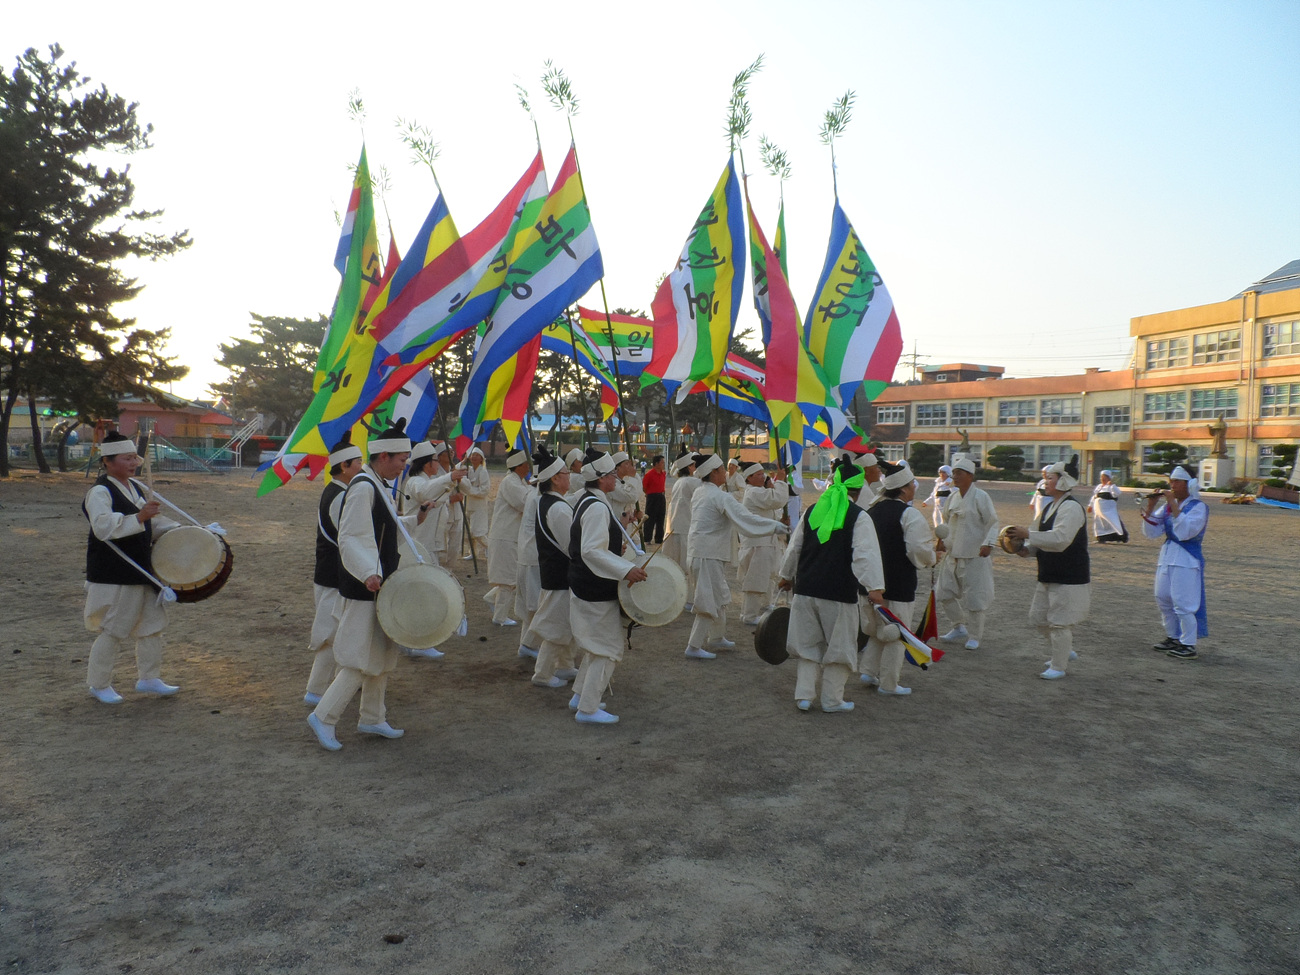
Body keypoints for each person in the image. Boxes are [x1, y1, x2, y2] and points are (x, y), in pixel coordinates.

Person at [307, 420, 421, 751]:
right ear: (383, 456)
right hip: (364, 587)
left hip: (378, 585)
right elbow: (352, 536)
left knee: (381, 655)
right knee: (358, 657)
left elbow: (384, 531)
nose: (404, 466)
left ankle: (372, 717)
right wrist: (368, 572)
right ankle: (324, 716)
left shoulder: (376, 485)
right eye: (401, 460)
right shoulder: (363, 487)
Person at [81, 431, 184, 704]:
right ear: (108, 462)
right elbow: (103, 526)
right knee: (113, 628)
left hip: (142, 568)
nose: (133, 463)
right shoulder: (99, 491)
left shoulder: (135, 488)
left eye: (134, 458)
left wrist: (187, 532)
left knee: (151, 625)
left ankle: (149, 678)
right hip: (114, 571)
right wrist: (139, 516)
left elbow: (154, 524)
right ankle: (98, 683)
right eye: (126, 458)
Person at [777, 462, 886, 712]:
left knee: (807, 645)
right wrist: (874, 587)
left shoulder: (813, 510)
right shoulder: (859, 516)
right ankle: (832, 700)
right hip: (838, 593)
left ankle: (804, 696)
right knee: (839, 647)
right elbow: (865, 556)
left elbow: (794, 547)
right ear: (858, 491)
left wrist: (786, 575)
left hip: (805, 589)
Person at [568, 449, 648, 725]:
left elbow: (594, 546)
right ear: (602, 479)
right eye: (613, 474)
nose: (616, 478)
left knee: (596, 646)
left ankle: (580, 696)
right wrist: (627, 569)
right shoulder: (597, 507)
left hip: (587, 584)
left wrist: (617, 548)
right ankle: (588, 709)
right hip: (594, 587)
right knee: (609, 649)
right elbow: (591, 550)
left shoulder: (589, 500)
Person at [684, 454, 788, 659]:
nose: (727, 472)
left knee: (720, 595)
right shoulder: (718, 496)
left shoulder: (701, 492)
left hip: (704, 552)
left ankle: (716, 636)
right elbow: (744, 518)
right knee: (708, 599)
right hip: (707, 554)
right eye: (723, 469)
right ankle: (693, 646)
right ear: (714, 473)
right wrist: (773, 526)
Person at [1007, 455, 1090, 679]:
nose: (1046, 482)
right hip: (1049, 571)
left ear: (1063, 481)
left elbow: (1061, 539)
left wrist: (1028, 535)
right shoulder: (1050, 507)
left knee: (1059, 623)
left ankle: (1059, 666)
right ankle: (1064, 651)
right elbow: (1039, 538)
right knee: (1039, 618)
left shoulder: (1071, 508)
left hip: (1069, 573)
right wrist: (1025, 549)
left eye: (1050, 478)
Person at [859, 459, 937, 696]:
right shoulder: (909, 515)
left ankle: (868, 671)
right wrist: (932, 558)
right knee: (896, 632)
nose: (915, 488)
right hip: (899, 581)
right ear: (903, 488)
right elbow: (917, 549)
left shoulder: (871, 511)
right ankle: (889, 683)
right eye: (913, 484)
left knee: (877, 629)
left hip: (871, 582)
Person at [304, 434, 363, 703]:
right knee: (329, 634)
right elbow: (349, 536)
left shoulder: (339, 491)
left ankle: (337, 684)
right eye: (358, 463)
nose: (361, 467)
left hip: (333, 574)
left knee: (339, 632)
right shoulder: (339, 495)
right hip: (331, 576)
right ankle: (315, 692)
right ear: (344, 466)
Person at [1140, 466, 1209, 659]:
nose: (1173, 485)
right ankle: (1173, 636)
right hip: (1168, 556)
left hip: (1187, 559)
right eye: (1172, 481)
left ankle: (1188, 643)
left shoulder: (1198, 507)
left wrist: (1173, 504)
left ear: (1190, 485)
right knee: (1162, 597)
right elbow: (1152, 533)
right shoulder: (1169, 507)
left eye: (1177, 482)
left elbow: (1186, 532)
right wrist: (1151, 507)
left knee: (1183, 602)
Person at [934, 457, 999, 650]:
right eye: (954, 473)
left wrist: (988, 544)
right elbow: (945, 523)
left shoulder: (981, 497)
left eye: (959, 473)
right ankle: (958, 626)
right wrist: (940, 542)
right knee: (943, 593)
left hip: (975, 555)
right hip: (953, 553)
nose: (955, 477)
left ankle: (974, 636)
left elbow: (992, 522)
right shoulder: (953, 497)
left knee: (975, 599)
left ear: (970, 476)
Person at [530, 448, 579, 688]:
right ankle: (542, 674)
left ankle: (565, 666)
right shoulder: (557, 508)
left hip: (557, 573)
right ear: (555, 479)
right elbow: (572, 546)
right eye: (566, 473)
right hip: (559, 574)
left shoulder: (550, 502)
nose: (569, 476)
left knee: (567, 623)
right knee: (555, 627)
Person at [737, 463, 789, 624]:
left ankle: (766, 605)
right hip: (758, 543)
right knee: (756, 579)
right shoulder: (753, 492)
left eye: (762, 474)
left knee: (769, 576)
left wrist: (780, 521)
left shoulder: (760, 492)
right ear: (749, 478)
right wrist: (780, 481)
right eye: (758, 474)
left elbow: (768, 514)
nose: (762, 477)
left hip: (766, 541)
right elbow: (777, 499)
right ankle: (749, 615)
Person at [485, 449, 532, 626]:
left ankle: (491, 599)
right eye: (526, 464)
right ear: (518, 466)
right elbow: (524, 503)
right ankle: (500, 616)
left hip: (511, 536)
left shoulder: (519, 481)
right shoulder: (510, 482)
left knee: (511, 577)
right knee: (508, 579)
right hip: (505, 536)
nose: (528, 467)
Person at [663, 452, 701, 603]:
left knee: (677, 564)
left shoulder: (680, 481)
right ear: (690, 467)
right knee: (688, 566)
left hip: (675, 526)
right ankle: (689, 599)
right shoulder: (692, 482)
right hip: (685, 527)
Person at [460, 447, 491, 560]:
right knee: (469, 534)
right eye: (472, 455)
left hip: (479, 505)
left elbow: (485, 490)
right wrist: (463, 461)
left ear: (481, 458)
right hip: (468, 504)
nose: (474, 457)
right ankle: (473, 552)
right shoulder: (469, 470)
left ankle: (490, 548)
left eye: (477, 455)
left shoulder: (483, 472)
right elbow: (456, 470)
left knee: (478, 532)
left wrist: (470, 490)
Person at [1087, 470, 1129, 543]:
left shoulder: (1111, 486)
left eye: (1105, 477)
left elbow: (1117, 493)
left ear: (1109, 478)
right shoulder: (1099, 487)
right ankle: (1101, 538)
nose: (1103, 479)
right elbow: (1095, 496)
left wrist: (1112, 486)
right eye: (1102, 477)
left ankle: (1119, 537)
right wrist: (1090, 505)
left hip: (1108, 510)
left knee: (1112, 522)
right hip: (1098, 511)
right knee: (1099, 524)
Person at [608, 450, 644, 526]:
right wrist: (632, 478)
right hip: (615, 524)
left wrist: (634, 514)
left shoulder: (627, 479)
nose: (630, 467)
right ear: (618, 468)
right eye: (627, 464)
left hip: (627, 523)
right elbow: (632, 497)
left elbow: (637, 494)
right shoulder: (612, 484)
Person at [640, 454, 667, 546]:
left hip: (661, 496)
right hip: (652, 497)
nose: (663, 464)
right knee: (650, 518)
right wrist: (649, 494)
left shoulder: (663, 474)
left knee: (661, 517)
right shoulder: (649, 474)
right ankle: (647, 538)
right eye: (662, 462)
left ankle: (659, 539)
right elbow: (644, 487)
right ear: (656, 463)